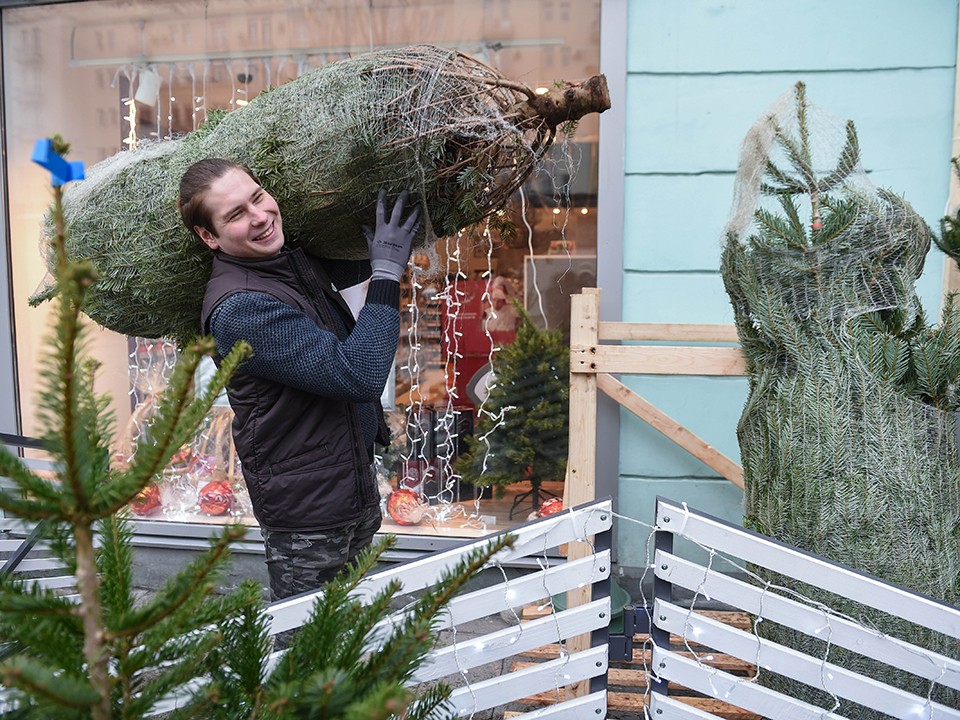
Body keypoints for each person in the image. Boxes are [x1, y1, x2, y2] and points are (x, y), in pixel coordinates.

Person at [178, 158, 420, 601]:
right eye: (235, 215)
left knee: (348, 634)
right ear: (208, 236)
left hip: (347, 482)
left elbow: (350, 262)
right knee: (308, 650)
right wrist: (386, 275)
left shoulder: (288, 263)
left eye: (257, 197)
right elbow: (358, 375)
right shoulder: (240, 308)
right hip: (310, 513)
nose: (259, 216)